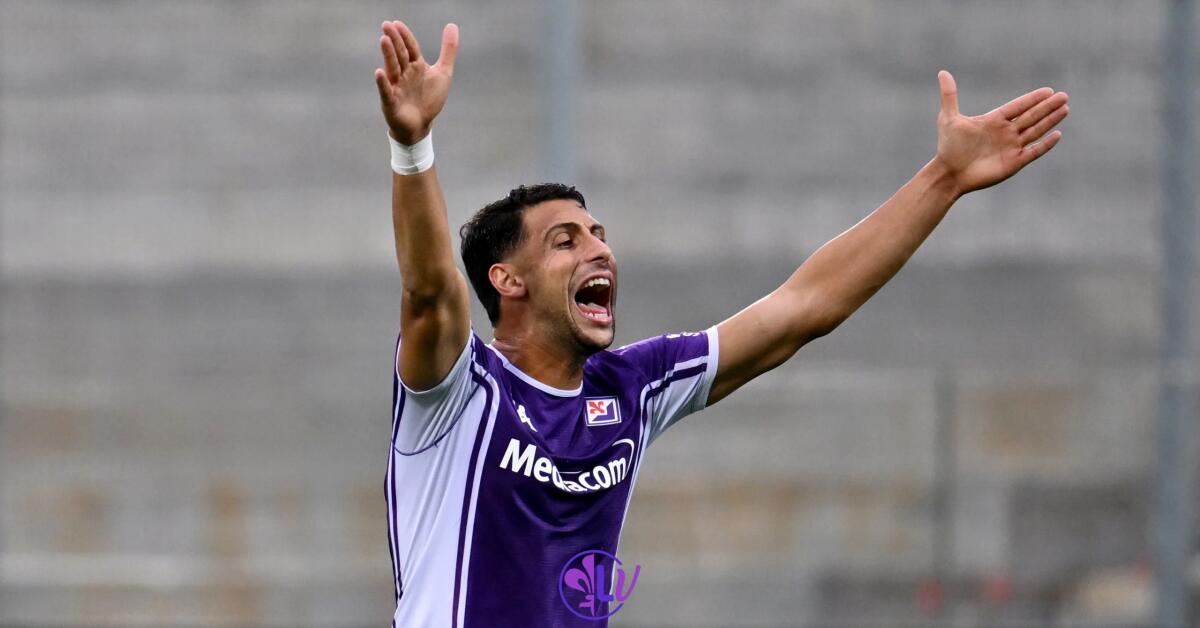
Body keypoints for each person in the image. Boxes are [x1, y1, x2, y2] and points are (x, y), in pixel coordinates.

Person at [372, 18, 1068, 628]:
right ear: (507, 281)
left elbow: (804, 307)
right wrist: (414, 148)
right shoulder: (459, 392)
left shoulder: (632, 389)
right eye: (566, 240)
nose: (599, 249)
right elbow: (432, 290)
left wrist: (943, 179)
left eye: (598, 233)